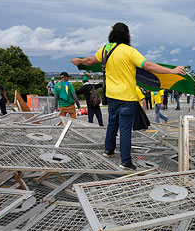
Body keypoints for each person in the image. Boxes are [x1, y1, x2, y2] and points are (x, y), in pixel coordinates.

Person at [70, 22, 185, 170]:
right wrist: (172, 71)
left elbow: (89, 61)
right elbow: (148, 66)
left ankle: (108, 150)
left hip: (111, 96)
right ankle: (125, 161)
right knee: (125, 129)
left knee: (112, 123)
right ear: (127, 34)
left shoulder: (106, 49)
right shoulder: (130, 51)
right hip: (127, 97)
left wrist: (78, 61)